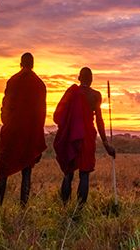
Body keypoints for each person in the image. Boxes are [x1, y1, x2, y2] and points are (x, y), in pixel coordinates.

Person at [53, 66, 116, 206]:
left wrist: (68, 127)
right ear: (92, 80)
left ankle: (65, 208)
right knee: (84, 173)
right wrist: (106, 143)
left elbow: (57, 115)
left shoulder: (71, 92)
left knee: (68, 174)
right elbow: (99, 120)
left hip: (72, 136)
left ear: (79, 78)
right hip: (87, 137)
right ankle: (79, 210)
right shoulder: (95, 95)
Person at [0, 52, 47, 206]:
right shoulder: (39, 84)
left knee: (3, 170)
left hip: (12, 130)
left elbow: (6, 105)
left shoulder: (13, 81)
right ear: (32, 64)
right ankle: (23, 208)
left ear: (20, 63)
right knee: (27, 170)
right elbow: (41, 112)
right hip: (30, 132)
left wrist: (7, 122)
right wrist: (38, 134)